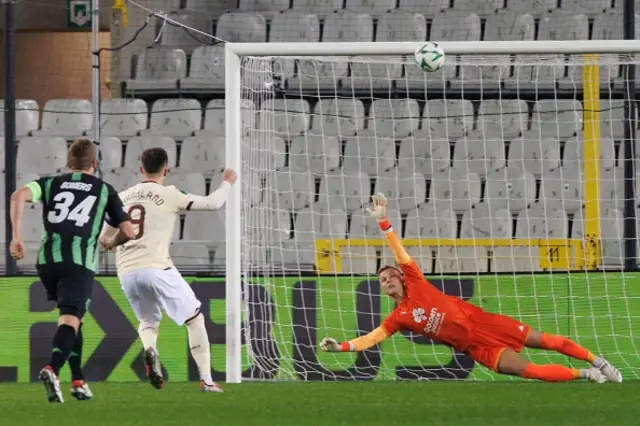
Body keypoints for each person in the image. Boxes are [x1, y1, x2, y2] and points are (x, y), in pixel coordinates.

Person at [320, 193, 623, 383]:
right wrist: (342, 347)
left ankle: (598, 361)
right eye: (382, 281)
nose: (386, 281)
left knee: (547, 341)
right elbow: (371, 339)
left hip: (487, 322)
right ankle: (587, 375)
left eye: (389, 275)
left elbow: (399, 251)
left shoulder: (415, 278)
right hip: (477, 347)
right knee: (528, 371)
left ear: (400, 276)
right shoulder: (398, 317)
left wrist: (384, 222)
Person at [99, 147, 237, 393]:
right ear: (166, 170)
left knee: (148, 320)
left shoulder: (122, 197)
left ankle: (150, 349)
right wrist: (227, 182)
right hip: (157, 266)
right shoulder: (170, 193)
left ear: (141, 169)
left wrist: (111, 244)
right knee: (195, 319)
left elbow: (104, 238)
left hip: (127, 271)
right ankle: (206, 380)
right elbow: (213, 203)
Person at [10, 138, 134, 402]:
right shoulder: (104, 190)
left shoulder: (52, 183)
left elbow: (18, 195)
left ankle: (78, 380)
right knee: (70, 320)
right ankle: (52, 369)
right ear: (95, 164)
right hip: (78, 264)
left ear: (68, 164)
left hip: (47, 262)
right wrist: (111, 243)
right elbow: (128, 231)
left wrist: (16, 237)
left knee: (74, 317)